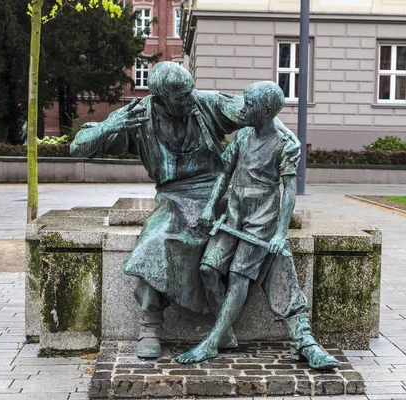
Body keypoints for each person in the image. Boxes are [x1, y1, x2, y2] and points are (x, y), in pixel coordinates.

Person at [69, 63, 320, 364]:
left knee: (268, 240)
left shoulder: (205, 103)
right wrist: (109, 125)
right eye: (183, 96)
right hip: (173, 198)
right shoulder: (138, 117)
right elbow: (78, 148)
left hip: (219, 192)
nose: (191, 99)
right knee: (155, 239)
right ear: (162, 98)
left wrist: (287, 144)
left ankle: (299, 329)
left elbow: (261, 114)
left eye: (191, 91)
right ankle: (150, 326)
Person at [176, 81, 340, 370]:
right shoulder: (243, 136)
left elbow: (289, 191)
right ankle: (225, 333)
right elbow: (224, 173)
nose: (243, 109)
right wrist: (208, 207)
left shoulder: (285, 144)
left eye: (249, 105)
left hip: (262, 219)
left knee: (240, 277)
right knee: (208, 269)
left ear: (265, 111)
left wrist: (279, 233)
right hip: (234, 215)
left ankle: (211, 343)